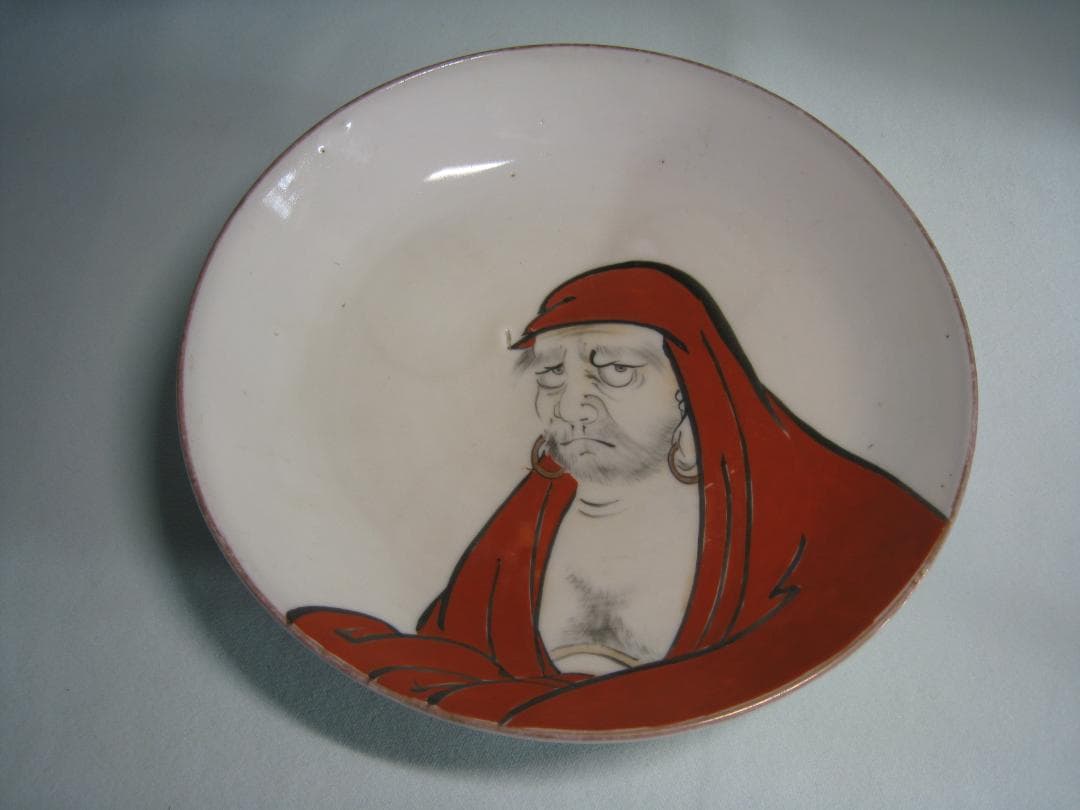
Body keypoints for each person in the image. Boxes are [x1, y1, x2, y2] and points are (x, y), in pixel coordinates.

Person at [288, 262, 946, 733]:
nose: (569, 406)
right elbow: (455, 650)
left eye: (616, 370)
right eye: (552, 373)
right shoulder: (526, 523)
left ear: (690, 386)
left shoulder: (813, 519)